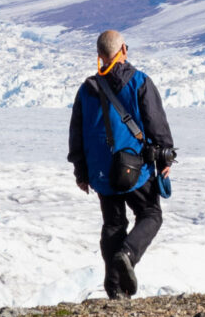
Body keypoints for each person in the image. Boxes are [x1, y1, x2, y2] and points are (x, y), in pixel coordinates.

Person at [69, 30, 176, 299]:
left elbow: (77, 133)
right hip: (135, 168)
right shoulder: (139, 82)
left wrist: (81, 172)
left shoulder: (86, 89)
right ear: (124, 50)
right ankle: (127, 255)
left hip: (101, 172)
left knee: (113, 225)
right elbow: (155, 121)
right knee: (151, 214)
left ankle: (116, 290)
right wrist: (166, 155)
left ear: (100, 57)